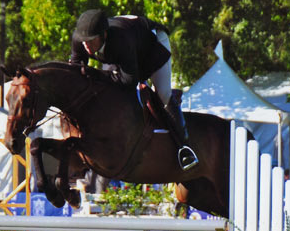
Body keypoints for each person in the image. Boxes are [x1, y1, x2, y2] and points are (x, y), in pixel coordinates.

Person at [70, 9, 198, 171]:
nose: (86, 45)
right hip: (127, 45)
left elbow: (129, 81)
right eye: (83, 41)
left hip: (153, 45)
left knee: (162, 95)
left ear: (104, 35)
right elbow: (75, 74)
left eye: (90, 41)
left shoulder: (120, 41)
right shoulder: (80, 40)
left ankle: (185, 148)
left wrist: (98, 77)